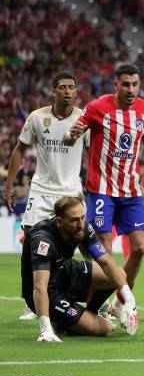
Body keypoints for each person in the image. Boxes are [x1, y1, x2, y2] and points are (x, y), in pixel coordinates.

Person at [64, 62, 144, 314]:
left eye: (135, 84)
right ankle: (95, 308)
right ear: (115, 85)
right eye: (125, 84)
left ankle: (120, 303)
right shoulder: (97, 107)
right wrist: (71, 135)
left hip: (131, 191)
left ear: (139, 85)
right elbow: (71, 136)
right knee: (106, 253)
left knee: (141, 248)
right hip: (102, 190)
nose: (130, 89)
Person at [4, 72, 90, 321]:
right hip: (41, 190)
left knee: (81, 242)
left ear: (76, 91)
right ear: (53, 91)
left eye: (71, 87)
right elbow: (20, 149)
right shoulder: (37, 118)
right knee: (31, 241)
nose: (67, 91)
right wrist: (10, 185)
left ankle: (89, 294)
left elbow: (93, 152)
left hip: (71, 190)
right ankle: (31, 303)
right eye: (62, 87)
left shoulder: (84, 120)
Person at [24, 196, 138, 341]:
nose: (80, 224)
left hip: (65, 271)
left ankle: (91, 312)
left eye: (82, 217)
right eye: (74, 220)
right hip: (48, 291)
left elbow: (106, 263)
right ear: (59, 221)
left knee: (119, 274)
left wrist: (129, 299)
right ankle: (61, 323)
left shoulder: (82, 227)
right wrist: (45, 329)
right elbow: (40, 286)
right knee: (107, 329)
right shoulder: (43, 240)